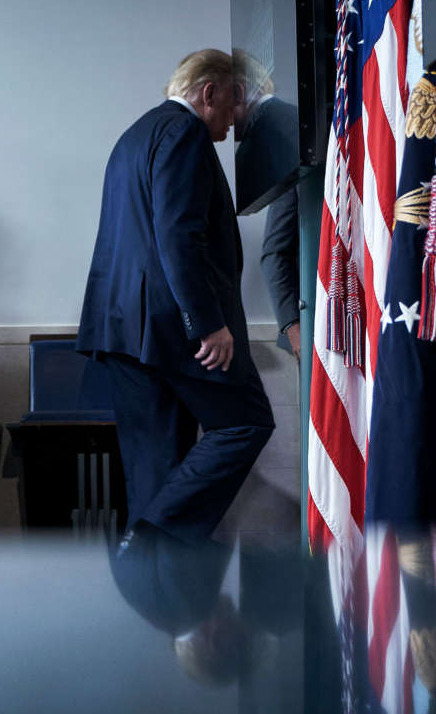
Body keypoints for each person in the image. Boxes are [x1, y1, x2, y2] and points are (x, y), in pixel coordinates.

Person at [76, 49, 275, 548]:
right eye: (234, 101)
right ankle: (148, 535)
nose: (236, 116)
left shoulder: (134, 135)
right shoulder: (184, 134)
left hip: (123, 329)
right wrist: (206, 322)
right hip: (173, 328)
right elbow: (177, 235)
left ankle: (158, 600)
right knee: (246, 421)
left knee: (155, 470)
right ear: (208, 93)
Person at [233, 49, 302, 360]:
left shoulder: (286, 129)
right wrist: (294, 328)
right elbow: (276, 252)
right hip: (324, 328)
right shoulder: (294, 134)